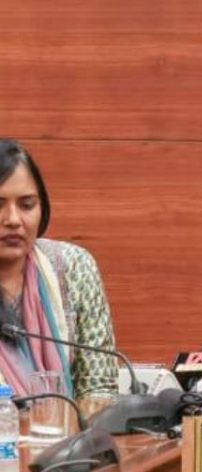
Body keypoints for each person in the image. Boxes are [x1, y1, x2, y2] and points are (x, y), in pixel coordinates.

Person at [0, 139, 119, 403]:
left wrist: (66, 426)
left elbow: (99, 387)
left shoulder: (73, 267)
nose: (13, 220)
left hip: (69, 427)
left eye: (27, 205)